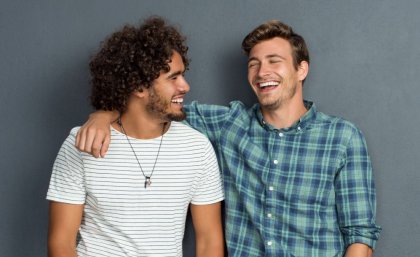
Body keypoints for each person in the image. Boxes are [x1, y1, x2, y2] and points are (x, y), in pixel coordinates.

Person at [75, 20, 381, 257]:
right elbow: (153, 103)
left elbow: (360, 236)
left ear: (301, 70)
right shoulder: (228, 125)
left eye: (275, 61)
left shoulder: (342, 138)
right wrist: (103, 113)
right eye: (254, 63)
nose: (263, 72)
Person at [46, 16, 224, 257]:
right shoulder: (82, 143)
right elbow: (61, 243)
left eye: (183, 75)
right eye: (173, 77)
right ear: (139, 87)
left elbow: (209, 241)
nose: (185, 86)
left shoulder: (197, 148)